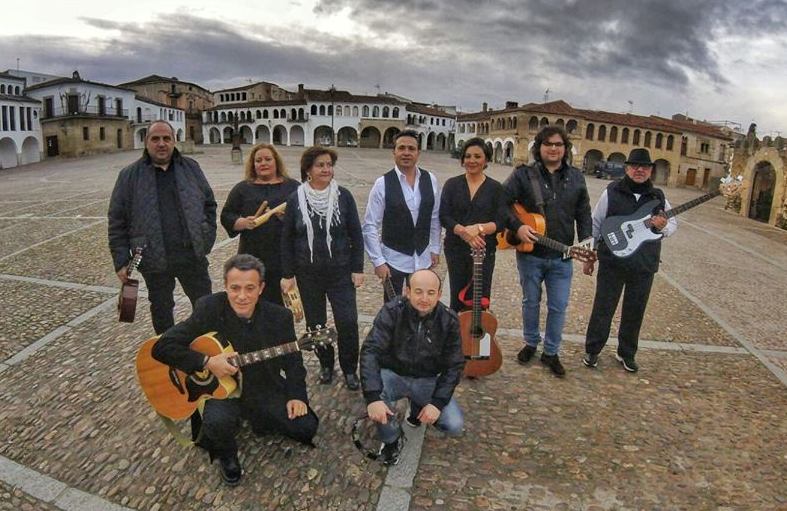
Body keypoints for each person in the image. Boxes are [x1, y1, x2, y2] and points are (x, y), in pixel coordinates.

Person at [152, 254, 318, 486]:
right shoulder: (209, 308)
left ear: (261, 288)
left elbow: (293, 362)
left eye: (250, 288)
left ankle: (253, 414)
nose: (242, 296)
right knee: (217, 422)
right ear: (225, 286)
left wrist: (296, 395)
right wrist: (207, 362)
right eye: (235, 288)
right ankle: (227, 455)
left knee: (307, 427)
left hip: (261, 385)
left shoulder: (279, 317)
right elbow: (161, 347)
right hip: (220, 392)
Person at [108, 120, 216, 334]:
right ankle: (168, 351)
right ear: (146, 142)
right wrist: (121, 260)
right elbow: (117, 220)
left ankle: (209, 347)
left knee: (206, 306)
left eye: (166, 138)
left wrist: (206, 236)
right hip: (153, 259)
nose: (161, 143)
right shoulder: (129, 175)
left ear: (174, 141)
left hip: (191, 255)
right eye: (155, 138)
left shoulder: (191, 168)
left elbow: (209, 204)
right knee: (161, 310)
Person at [504, 125, 592, 377]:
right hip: (530, 254)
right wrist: (518, 226)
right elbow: (501, 202)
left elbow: (584, 213)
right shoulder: (523, 175)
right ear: (539, 147)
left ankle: (551, 352)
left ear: (565, 148)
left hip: (562, 256)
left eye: (558, 144)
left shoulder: (577, 177)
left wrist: (586, 245)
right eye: (548, 144)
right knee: (530, 302)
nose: (553, 149)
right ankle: (531, 342)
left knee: (558, 306)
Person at [583, 148, 677, 373]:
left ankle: (626, 353)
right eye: (635, 166)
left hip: (644, 264)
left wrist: (663, 227)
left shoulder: (658, 197)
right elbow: (596, 222)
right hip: (612, 262)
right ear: (627, 168)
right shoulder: (611, 192)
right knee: (603, 307)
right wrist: (590, 255)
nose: (639, 170)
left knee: (635, 311)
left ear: (650, 171)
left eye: (644, 167)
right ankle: (593, 349)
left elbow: (673, 224)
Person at [280, 147, 364, 390]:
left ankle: (350, 368)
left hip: (340, 272)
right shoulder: (296, 199)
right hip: (308, 274)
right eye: (320, 165)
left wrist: (357, 268)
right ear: (308, 169)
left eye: (329, 164)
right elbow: (286, 239)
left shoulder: (343, 196)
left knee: (348, 321)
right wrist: (288, 274)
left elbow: (356, 234)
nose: (326, 169)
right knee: (316, 324)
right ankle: (326, 364)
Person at [361, 269, 465, 465]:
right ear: (408, 292)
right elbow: (370, 351)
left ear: (439, 294)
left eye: (431, 293)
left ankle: (418, 406)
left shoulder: (449, 320)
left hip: (426, 379)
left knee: (454, 424)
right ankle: (391, 439)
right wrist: (373, 397)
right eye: (418, 291)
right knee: (375, 398)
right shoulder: (392, 312)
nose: (424, 298)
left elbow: (454, 365)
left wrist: (437, 404)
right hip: (393, 374)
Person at [362, 130, 441, 301]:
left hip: (423, 257)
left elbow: (434, 218)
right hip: (393, 259)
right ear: (394, 152)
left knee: (423, 305)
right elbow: (370, 226)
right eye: (401, 148)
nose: (406, 153)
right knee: (393, 309)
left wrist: (435, 248)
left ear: (418, 152)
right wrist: (378, 261)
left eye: (411, 149)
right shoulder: (382, 184)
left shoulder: (430, 179)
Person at [220, 143, 299, 306]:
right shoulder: (243, 188)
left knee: (280, 304)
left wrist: (287, 218)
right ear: (253, 164)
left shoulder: (293, 187)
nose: (263, 163)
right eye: (258, 160)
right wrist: (242, 222)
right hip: (252, 254)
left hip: (282, 257)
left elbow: (305, 218)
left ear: (276, 161)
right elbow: (227, 215)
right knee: (252, 299)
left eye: (268, 159)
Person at [439, 137, 508, 312]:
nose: (472, 160)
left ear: (486, 159)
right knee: (457, 298)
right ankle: (457, 330)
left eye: (477, 156)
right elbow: (444, 216)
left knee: (480, 300)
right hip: (456, 249)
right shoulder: (452, 185)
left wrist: (479, 228)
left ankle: (478, 331)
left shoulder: (496, 188)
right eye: (468, 156)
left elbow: (501, 221)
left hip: (484, 251)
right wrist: (464, 232)